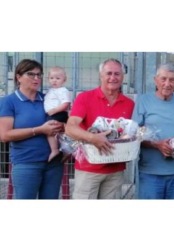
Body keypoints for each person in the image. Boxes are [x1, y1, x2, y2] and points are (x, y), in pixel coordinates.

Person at [65, 58, 134, 199]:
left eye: (117, 74)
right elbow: (70, 128)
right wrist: (93, 138)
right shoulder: (85, 98)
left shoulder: (129, 104)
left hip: (115, 169)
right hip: (88, 168)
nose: (113, 78)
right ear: (100, 75)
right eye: (109, 73)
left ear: (123, 77)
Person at [0, 59, 64, 199]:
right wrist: (39, 130)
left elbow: (64, 121)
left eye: (39, 75)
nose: (36, 78)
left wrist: (62, 127)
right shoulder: (8, 102)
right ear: (18, 77)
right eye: (31, 74)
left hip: (53, 163)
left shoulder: (48, 98)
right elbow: (5, 135)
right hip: (26, 163)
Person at [132, 63, 174, 199]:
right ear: (155, 80)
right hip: (150, 172)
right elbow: (134, 133)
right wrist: (156, 144)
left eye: (172, 80)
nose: (167, 84)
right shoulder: (143, 100)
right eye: (163, 79)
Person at [43, 66, 71, 162]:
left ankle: (54, 150)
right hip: (53, 114)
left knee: (50, 131)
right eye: (52, 78)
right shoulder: (51, 90)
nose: (54, 81)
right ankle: (66, 150)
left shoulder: (63, 90)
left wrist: (54, 110)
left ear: (64, 79)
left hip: (57, 114)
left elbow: (66, 104)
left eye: (58, 78)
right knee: (59, 134)